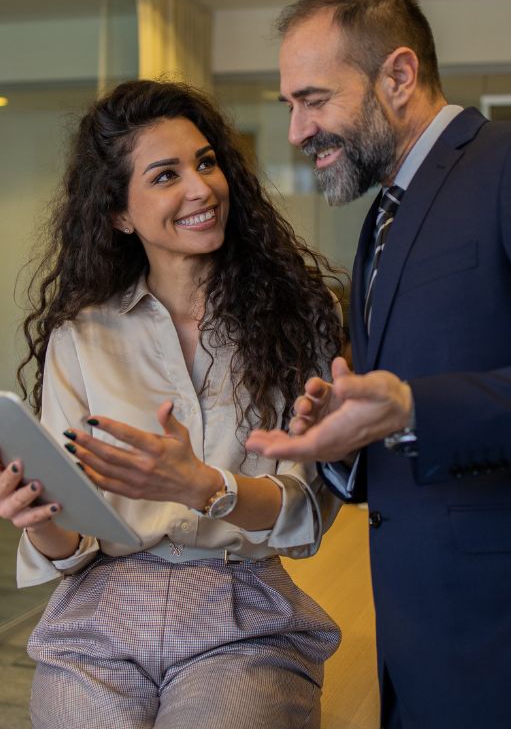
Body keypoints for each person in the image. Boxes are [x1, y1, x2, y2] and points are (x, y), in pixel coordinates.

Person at [246, 0, 511, 729]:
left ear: (398, 76)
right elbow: (409, 427)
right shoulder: (384, 219)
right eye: (289, 107)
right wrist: (344, 439)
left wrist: (412, 407)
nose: (296, 132)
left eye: (313, 99)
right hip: (420, 645)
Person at [0, 79, 344, 729]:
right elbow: (72, 542)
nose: (201, 188)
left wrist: (208, 486)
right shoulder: (81, 336)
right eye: (166, 175)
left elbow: (307, 512)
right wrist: (36, 515)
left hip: (241, 611)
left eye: (206, 162)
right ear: (118, 214)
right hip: (100, 616)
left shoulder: (298, 318)